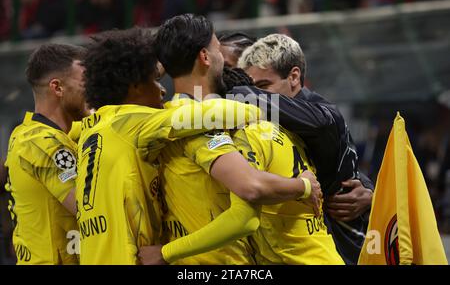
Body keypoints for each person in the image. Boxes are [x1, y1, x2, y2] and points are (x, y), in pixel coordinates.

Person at [77, 27, 314, 265]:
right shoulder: (134, 122)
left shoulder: (89, 130)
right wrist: (256, 106)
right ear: (134, 87)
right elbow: (214, 113)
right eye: (153, 80)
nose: (162, 89)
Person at [138, 14, 322, 265]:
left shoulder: (164, 120)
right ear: (205, 57)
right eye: (216, 49)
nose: (223, 58)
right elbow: (248, 199)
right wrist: (304, 186)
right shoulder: (202, 123)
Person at [230, 33, 374, 265]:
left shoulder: (323, 116)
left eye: (264, 86)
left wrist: (234, 91)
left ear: (294, 77)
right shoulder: (271, 122)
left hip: (341, 252)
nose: (257, 94)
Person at [4, 43, 88, 264]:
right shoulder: (43, 143)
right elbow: (88, 208)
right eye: (85, 83)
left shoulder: (27, 133)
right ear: (57, 88)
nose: (92, 91)